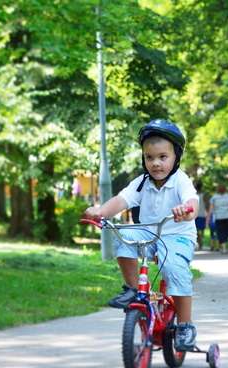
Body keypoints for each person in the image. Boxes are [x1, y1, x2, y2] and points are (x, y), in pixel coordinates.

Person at [84, 119, 200, 351]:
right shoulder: (141, 183)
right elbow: (122, 200)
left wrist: (185, 211)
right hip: (149, 233)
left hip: (177, 235)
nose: (155, 163)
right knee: (125, 238)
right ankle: (134, 288)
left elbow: (192, 202)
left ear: (176, 156)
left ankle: (185, 326)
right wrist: (100, 211)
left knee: (174, 270)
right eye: (149, 157)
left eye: (162, 157)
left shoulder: (181, 180)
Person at [207, 183, 228, 254]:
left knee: (221, 232)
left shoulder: (214, 197)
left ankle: (224, 248)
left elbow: (210, 209)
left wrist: (208, 218)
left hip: (219, 217)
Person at [194, 181, 208, 250]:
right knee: (201, 230)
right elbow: (206, 204)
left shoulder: (193, 194)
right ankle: (200, 242)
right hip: (202, 214)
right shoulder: (204, 195)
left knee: (196, 230)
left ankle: (199, 242)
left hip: (195, 214)